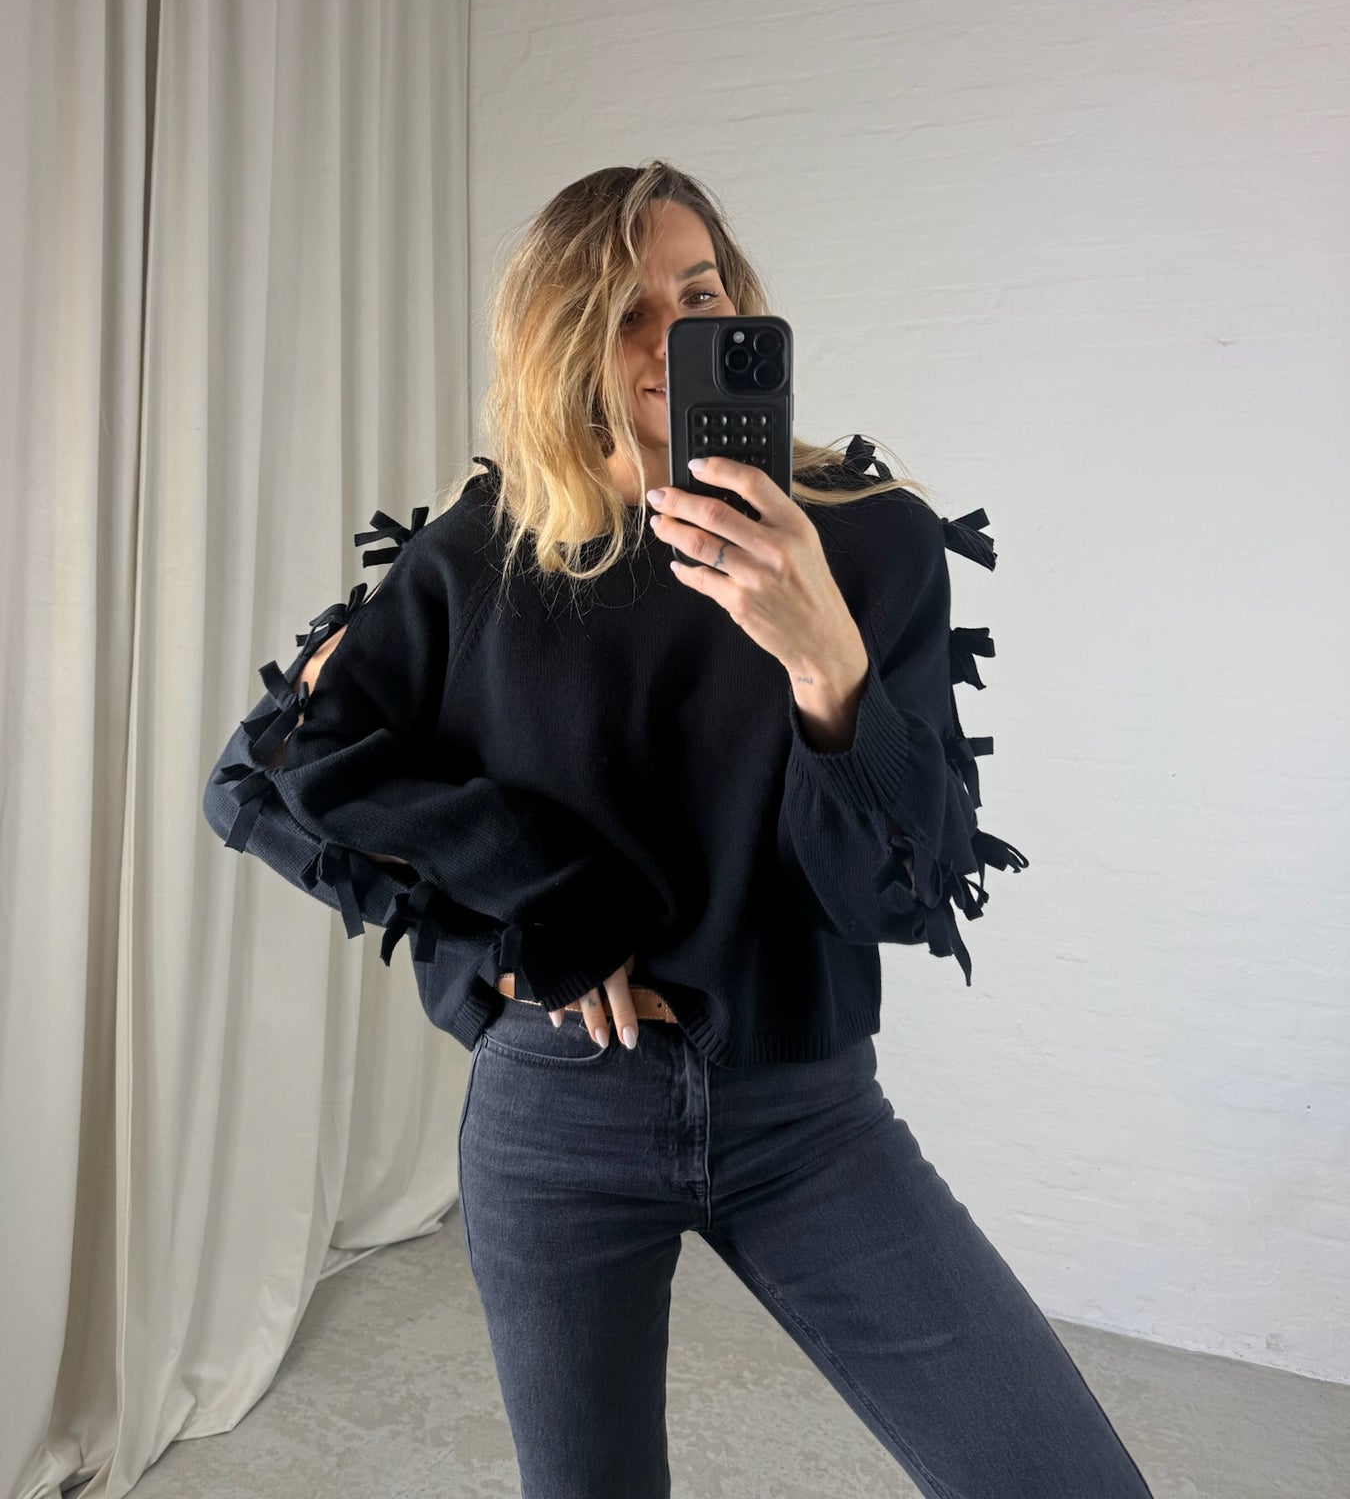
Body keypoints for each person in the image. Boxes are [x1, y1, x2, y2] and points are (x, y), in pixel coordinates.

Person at [204, 160, 1154, 1498]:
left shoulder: (872, 543)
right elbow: (269, 769)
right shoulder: (490, 549)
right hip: (556, 1120)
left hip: (806, 1115)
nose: (668, 338)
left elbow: (903, 889)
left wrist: (823, 659)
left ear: (739, 308)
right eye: (623, 312)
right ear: (561, 344)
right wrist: (531, 910)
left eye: (696, 296)